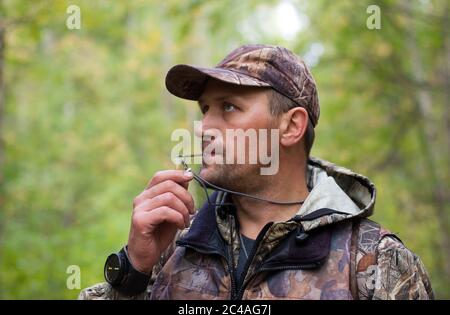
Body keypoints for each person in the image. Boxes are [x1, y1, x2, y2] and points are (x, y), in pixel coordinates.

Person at [79, 44, 434, 300]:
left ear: (292, 127)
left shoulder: (373, 262)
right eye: (205, 109)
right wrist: (133, 272)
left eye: (229, 107)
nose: (203, 128)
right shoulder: (172, 245)